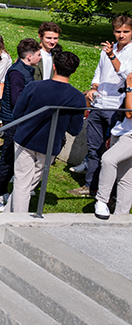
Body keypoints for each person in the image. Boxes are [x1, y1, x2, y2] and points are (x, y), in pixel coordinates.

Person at [10, 51, 86, 213]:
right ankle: (13, 220)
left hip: (26, 138)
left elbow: (17, 114)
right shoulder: (78, 97)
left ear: (54, 66)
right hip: (49, 145)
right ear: (74, 71)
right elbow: (74, 129)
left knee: (22, 184)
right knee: (26, 185)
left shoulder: (34, 86)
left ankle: (14, 221)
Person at [73, 16, 132, 199]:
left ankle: (111, 193)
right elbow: (99, 70)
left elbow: (127, 75)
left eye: (125, 32)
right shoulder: (108, 49)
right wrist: (94, 87)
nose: (121, 35)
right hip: (100, 103)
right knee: (94, 147)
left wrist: (112, 56)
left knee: (112, 152)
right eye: (117, 31)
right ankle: (90, 185)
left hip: (118, 106)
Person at [0, 38, 41, 212]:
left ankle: (1, 192)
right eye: (38, 55)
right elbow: (17, 99)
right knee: (7, 159)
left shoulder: (26, 69)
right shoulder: (17, 72)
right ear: (29, 56)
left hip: (19, 119)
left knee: (12, 160)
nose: (40, 58)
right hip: (13, 121)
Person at [95, 71, 132, 219]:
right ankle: (121, 217)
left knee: (108, 159)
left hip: (130, 135)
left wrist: (129, 87)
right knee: (126, 178)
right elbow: (122, 109)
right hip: (121, 130)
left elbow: (130, 113)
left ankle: (102, 200)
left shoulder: (130, 83)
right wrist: (114, 132)